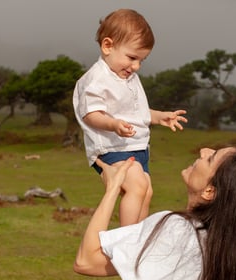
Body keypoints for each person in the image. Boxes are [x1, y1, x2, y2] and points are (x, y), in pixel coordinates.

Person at [73, 145, 236, 280]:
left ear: (209, 191)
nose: (204, 150)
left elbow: (86, 261)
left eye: (211, 157)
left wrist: (113, 187)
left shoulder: (179, 231)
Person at [72, 8, 187, 226]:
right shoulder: (96, 79)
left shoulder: (127, 77)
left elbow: (136, 112)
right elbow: (90, 114)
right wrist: (113, 124)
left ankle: (137, 238)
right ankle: (127, 240)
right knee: (137, 187)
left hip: (137, 147)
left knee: (146, 191)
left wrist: (160, 116)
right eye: (132, 58)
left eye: (141, 60)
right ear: (108, 46)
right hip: (111, 149)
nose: (136, 66)